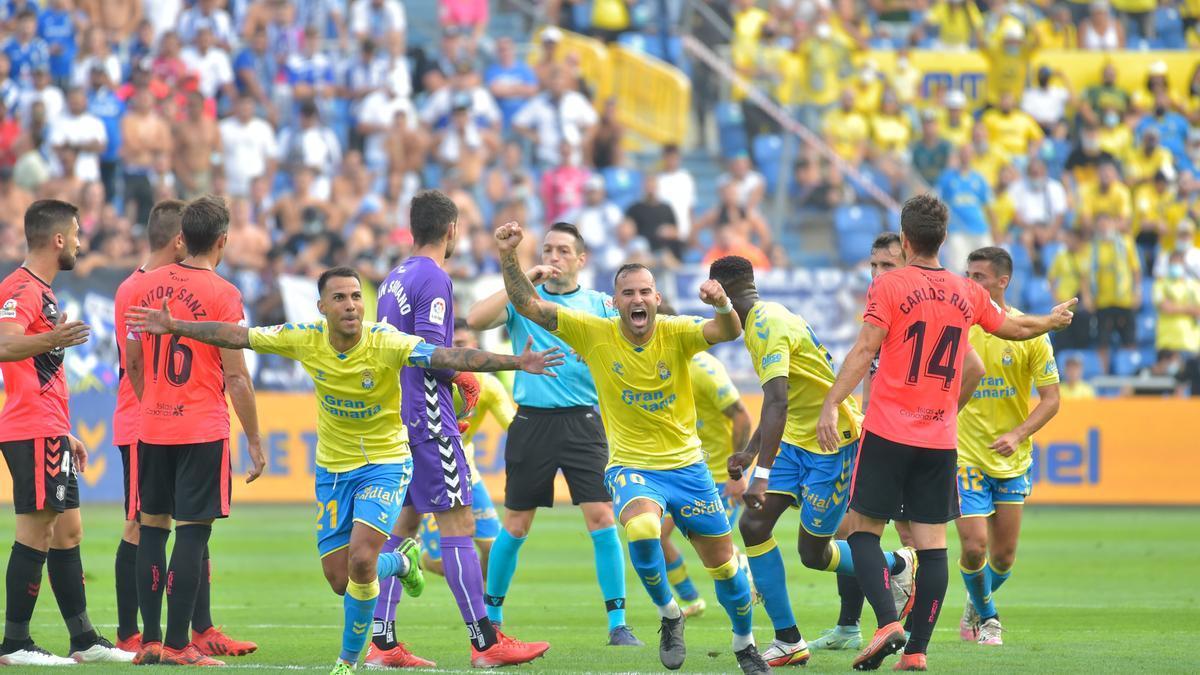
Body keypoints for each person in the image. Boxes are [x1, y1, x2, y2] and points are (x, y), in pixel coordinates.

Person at [125, 266, 563, 674]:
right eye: (339, 297)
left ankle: (347, 662)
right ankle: (403, 562)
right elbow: (236, 336)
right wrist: (177, 326)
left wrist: (515, 362)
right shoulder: (304, 337)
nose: (351, 304)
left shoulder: (387, 341)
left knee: (359, 559)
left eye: (356, 296)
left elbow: (449, 357)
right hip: (333, 472)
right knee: (341, 579)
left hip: (385, 464)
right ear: (322, 307)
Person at [495, 221, 771, 674]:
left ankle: (744, 643)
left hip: (689, 469)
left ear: (657, 299)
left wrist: (722, 302)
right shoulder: (593, 332)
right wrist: (509, 256)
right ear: (615, 301)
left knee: (726, 571)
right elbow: (528, 304)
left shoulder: (677, 331)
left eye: (645, 292)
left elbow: (728, 332)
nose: (638, 300)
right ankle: (669, 614)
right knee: (642, 530)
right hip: (631, 465)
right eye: (628, 293)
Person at [816, 194, 1076, 671]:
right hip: (940, 439)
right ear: (944, 239)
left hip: (890, 430)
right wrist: (1052, 320)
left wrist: (832, 402)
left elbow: (863, 350)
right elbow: (1016, 328)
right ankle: (916, 652)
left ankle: (887, 623)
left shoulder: (889, 286)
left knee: (861, 532)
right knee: (933, 545)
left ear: (907, 238)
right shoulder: (967, 291)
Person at [374, 190, 551, 668]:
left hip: (400, 415)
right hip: (431, 416)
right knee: (459, 525)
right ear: (451, 229)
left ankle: (381, 642)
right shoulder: (434, 277)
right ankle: (484, 641)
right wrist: (480, 371)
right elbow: (436, 354)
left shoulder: (393, 278)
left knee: (404, 526)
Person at [709, 254, 907, 668]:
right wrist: (750, 451)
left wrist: (759, 475)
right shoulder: (766, 317)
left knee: (813, 554)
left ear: (722, 295)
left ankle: (897, 565)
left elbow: (778, 402)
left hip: (831, 444)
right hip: (797, 440)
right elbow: (780, 400)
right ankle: (788, 639)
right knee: (753, 524)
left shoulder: (763, 326)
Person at [466, 222, 638, 646]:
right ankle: (492, 618)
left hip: (584, 421)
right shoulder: (525, 298)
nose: (554, 256)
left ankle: (618, 624)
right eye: (547, 249)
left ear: (581, 260)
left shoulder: (598, 304)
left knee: (601, 518)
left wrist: (603, 345)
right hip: (533, 421)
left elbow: (637, 335)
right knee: (518, 524)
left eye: (563, 250)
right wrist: (522, 281)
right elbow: (475, 318)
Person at [124, 196, 266, 666]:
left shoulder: (147, 286)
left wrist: (153, 405)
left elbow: (134, 361)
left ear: (182, 236)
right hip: (201, 427)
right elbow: (237, 376)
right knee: (192, 535)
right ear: (222, 240)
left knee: (151, 531)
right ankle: (180, 645)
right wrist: (254, 439)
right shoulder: (224, 295)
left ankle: (148, 640)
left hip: (153, 426)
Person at [0, 199, 130, 666]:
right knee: (37, 531)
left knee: (68, 532)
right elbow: (4, 344)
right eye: (75, 232)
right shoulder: (21, 287)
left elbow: (39, 368)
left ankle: (84, 639)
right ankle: (15, 643)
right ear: (57, 239)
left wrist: (65, 430)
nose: (79, 240)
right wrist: (53, 337)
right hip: (29, 426)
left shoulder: (44, 291)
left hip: (49, 427)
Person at [955, 247, 1061, 647]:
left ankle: (976, 600)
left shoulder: (1030, 333)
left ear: (1002, 282)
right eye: (968, 275)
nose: (970, 283)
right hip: (964, 453)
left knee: (1002, 558)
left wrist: (1017, 434)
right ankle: (989, 618)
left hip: (1011, 458)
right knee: (973, 545)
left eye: (979, 276)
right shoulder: (959, 326)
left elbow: (1051, 400)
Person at [653, 305, 753, 621]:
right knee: (655, 535)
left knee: (714, 549)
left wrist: (736, 471)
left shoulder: (702, 368)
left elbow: (741, 417)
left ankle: (747, 576)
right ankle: (691, 600)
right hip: (682, 471)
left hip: (718, 476)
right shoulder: (656, 367)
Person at [417, 320, 512, 577]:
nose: (456, 351)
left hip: (465, 470)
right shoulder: (428, 382)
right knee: (439, 563)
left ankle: (484, 612)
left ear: (475, 349)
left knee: (494, 551)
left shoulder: (488, 386)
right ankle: (418, 554)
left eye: (461, 345)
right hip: (427, 471)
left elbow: (512, 424)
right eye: (451, 345)